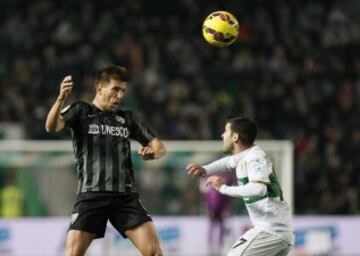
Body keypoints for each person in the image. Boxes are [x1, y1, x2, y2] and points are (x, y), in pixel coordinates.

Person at [45, 65, 166, 256]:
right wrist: (61, 99)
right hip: (91, 195)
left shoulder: (128, 118)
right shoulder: (80, 110)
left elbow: (159, 147)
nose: (120, 96)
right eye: (115, 89)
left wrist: (151, 153)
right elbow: (52, 127)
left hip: (125, 197)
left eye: (123, 91)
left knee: (155, 253)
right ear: (100, 89)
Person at [186, 116, 294, 256]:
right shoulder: (245, 156)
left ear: (235, 136)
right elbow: (226, 163)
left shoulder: (255, 158)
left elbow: (259, 189)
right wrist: (205, 169)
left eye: (226, 131)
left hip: (271, 231)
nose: (222, 135)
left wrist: (224, 188)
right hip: (276, 233)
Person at [200, 172, 234, 256]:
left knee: (221, 227)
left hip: (220, 211)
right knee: (211, 227)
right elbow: (206, 201)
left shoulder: (221, 190)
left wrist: (225, 210)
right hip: (212, 210)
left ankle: (220, 244)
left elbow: (226, 200)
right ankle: (210, 245)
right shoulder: (208, 191)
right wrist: (208, 210)